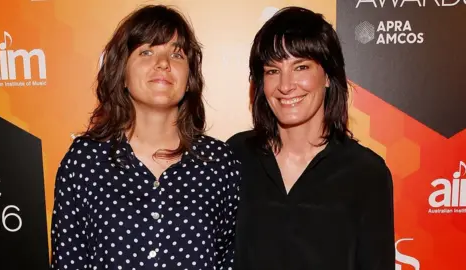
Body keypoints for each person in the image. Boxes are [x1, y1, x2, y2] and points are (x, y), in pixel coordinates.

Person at [50, 5, 240, 270]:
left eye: (177, 54)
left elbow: (229, 260)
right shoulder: (85, 160)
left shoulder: (220, 163)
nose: (163, 63)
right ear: (122, 74)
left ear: (189, 79)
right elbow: (68, 261)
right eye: (147, 51)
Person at [227, 6, 395, 270]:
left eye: (301, 67)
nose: (285, 85)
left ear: (327, 75)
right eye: (272, 70)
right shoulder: (235, 155)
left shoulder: (366, 173)